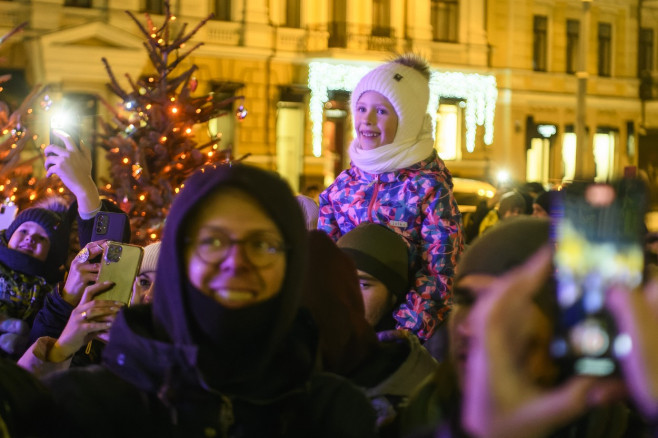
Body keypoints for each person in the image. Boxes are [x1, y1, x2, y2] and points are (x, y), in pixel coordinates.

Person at [42, 163, 377, 437]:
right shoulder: (85, 406)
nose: (236, 262)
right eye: (213, 241)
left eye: (262, 244)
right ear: (178, 256)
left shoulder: (332, 413)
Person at [400, 216, 636, 438]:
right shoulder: (409, 417)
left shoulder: (630, 425)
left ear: (559, 326)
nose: (472, 328)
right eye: (466, 300)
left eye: (504, 306)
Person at [318, 53, 463, 342]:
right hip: (346, 322)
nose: (366, 120)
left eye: (381, 111)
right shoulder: (344, 185)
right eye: (360, 108)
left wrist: (400, 333)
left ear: (407, 121)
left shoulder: (429, 188)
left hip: (405, 331)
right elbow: (325, 256)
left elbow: (440, 272)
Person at [302, 230, 437, 435]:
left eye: (364, 284)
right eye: (339, 282)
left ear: (394, 294)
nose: (348, 294)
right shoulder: (317, 354)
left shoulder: (417, 380)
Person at [0, 201, 71, 357]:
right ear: (10, 235)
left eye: (41, 238)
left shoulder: (50, 285)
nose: (30, 238)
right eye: (24, 231)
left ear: (51, 253)